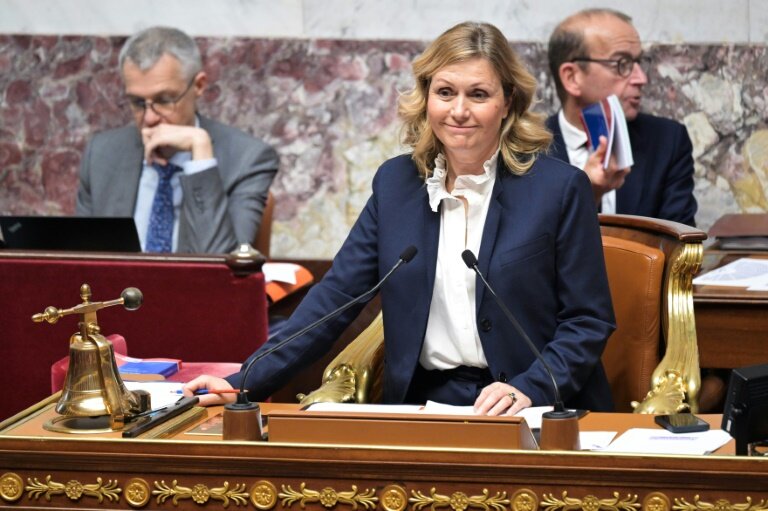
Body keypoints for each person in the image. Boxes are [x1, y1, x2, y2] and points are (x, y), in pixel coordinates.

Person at [186, 21, 616, 414]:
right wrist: (242, 381)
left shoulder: (558, 189)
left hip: (532, 405)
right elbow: (333, 300)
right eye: (445, 92)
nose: (459, 111)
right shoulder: (397, 185)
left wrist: (532, 387)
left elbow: (588, 319)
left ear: (508, 103)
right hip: (422, 405)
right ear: (426, 97)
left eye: (478, 94)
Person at [76, 26, 278, 253]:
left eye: (164, 100)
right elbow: (85, 258)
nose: (150, 118)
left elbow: (222, 269)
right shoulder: (102, 154)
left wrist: (201, 160)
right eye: (138, 102)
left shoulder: (247, 159)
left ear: (198, 86)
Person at [546, 8, 697, 226]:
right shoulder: (525, 150)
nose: (641, 78)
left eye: (639, 63)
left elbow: (681, 246)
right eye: (622, 64)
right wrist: (587, 194)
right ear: (572, 77)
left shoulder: (667, 141)